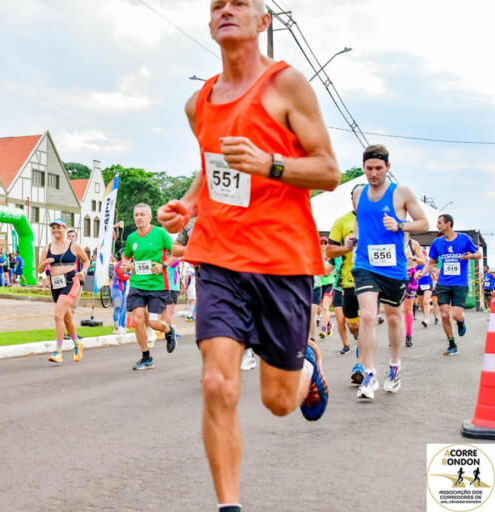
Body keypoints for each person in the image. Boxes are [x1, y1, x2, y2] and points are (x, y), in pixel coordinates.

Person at [157, 2, 340, 509]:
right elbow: (213, 165)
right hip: (218, 255)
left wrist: (270, 164)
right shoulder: (200, 103)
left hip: (282, 260)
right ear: (210, 23)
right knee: (216, 383)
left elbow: (328, 170)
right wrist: (188, 207)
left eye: (240, 2)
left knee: (279, 402)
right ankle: (229, 505)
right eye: (217, 5)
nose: (226, 10)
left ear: (264, 21)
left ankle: (305, 366)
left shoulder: (287, 86)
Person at [352, 144, 429, 401]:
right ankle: (369, 373)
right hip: (364, 264)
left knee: (394, 318)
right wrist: (355, 237)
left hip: (393, 267)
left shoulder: (401, 193)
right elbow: (360, 221)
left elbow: (424, 223)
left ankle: (394, 366)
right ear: (363, 168)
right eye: (368, 168)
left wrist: (399, 224)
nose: (373, 173)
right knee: (367, 315)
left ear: (388, 167)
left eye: (378, 168)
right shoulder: (359, 193)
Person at [121, 203, 178, 370]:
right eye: (136, 215)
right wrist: (125, 266)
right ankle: (146, 357)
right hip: (138, 285)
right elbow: (126, 258)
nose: (138, 217)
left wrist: (163, 265)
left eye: (142, 214)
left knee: (153, 322)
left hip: (157, 286)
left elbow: (176, 252)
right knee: (138, 320)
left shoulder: (160, 233)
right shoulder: (132, 238)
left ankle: (169, 331)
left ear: (149, 217)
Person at [419, 214, 481, 355]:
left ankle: (461, 321)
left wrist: (469, 256)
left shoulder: (464, 239)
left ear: (448, 224)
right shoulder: (437, 242)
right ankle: (452, 344)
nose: (437, 225)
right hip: (443, 283)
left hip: (460, 284)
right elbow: (431, 263)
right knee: (445, 314)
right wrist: (421, 274)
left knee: (456, 315)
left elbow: (478, 254)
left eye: (439, 222)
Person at [37, 219, 89, 363]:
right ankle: (78, 345)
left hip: (70, 282)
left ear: (64, 228)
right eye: (53, 228)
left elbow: (86, 261)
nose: (56, 230)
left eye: (58, 227)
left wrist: (83, 272)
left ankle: (58, 351)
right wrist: (45, 263)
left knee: (58, 315)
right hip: (56, 284)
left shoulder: (73, 246)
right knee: (66, 318)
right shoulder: (47, 248)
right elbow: (39, 269)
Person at [326, 188, 363, 380]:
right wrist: (347, 248)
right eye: (356, 196)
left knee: (368, 321)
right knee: (353, 325)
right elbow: (330, 252)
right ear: (351, 200)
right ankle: (357, 341)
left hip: (372, 279)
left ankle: (362, 366)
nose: (360, 199)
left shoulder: (380, 219)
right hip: (348, 281)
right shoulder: (342, 221)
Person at [402, 237, 425, 347]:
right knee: (393, 309)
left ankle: (408, 335)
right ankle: (394, 334)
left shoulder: (413, 243)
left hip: (410, 276)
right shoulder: (390, 240)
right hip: (394, 276)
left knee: (407, 309)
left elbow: (423, 260)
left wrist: (412, 258)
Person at [111, 252, 131, 334]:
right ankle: (116, 327)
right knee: (117, 307)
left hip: (123, 290)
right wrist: (129, 274)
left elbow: (128, 275)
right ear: (122, 256)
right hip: (116, 289)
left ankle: (122, 326)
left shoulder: (127, 266)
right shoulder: (118, 265)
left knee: (123, 308)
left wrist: (128, 274)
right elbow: (123, 277)